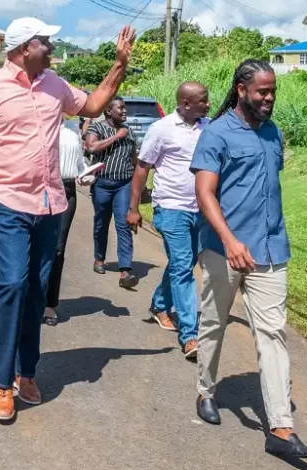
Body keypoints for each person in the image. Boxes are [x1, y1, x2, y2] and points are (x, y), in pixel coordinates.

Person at [0, 17, 136, 422]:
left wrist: (119, 65)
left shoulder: (55, 84)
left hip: (49, 204)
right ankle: (0, 382)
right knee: (12, 282)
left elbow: (94, 104)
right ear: (25, 47)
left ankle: (25, 373)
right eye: (46, 41)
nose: (52, 47)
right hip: (7, 202)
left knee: (36, 291)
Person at [190, 59, 307, 459]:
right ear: (242, 89)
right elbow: (205, 193)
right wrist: (229, 240)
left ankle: (280, 428)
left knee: (273, 334)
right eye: (262, 91)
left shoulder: (272, 132)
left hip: (270, 248)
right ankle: (206, 391)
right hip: (223, 249)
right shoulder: (216, 133)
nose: (269, 98)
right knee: (213, 324)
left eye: (273, 91)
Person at [127, 82, 210, 359]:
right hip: (171, 208)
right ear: (186, 104)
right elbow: (142, 168)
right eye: (203, 101)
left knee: (183, 262)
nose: (208, 105)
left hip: (200, 208)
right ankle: (190, 335)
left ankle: (159, 305)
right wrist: (133, 208)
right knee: (184, 269)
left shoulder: (207, 127)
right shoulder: (161, 129)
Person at [84, 97, 140, 289]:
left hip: (123, 184)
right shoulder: (97, 128)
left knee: (123, 225)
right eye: (121, 108)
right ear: (109, 111)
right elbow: (91, 147)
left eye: (125, 109)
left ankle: (125, 269)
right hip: (102, 184)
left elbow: (134, 160)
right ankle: (99, 258)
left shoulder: (130, 132)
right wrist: (117, 136)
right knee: (101, 223)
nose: (125, 112)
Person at [43, 116, 92, 326]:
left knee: (57, 249)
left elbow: (80, 163)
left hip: (68, 190)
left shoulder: (72, 128)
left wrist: (86, 174)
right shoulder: (37, 122)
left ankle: (49, 303)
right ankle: (28, 298)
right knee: (34, 247)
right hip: (40, 189)